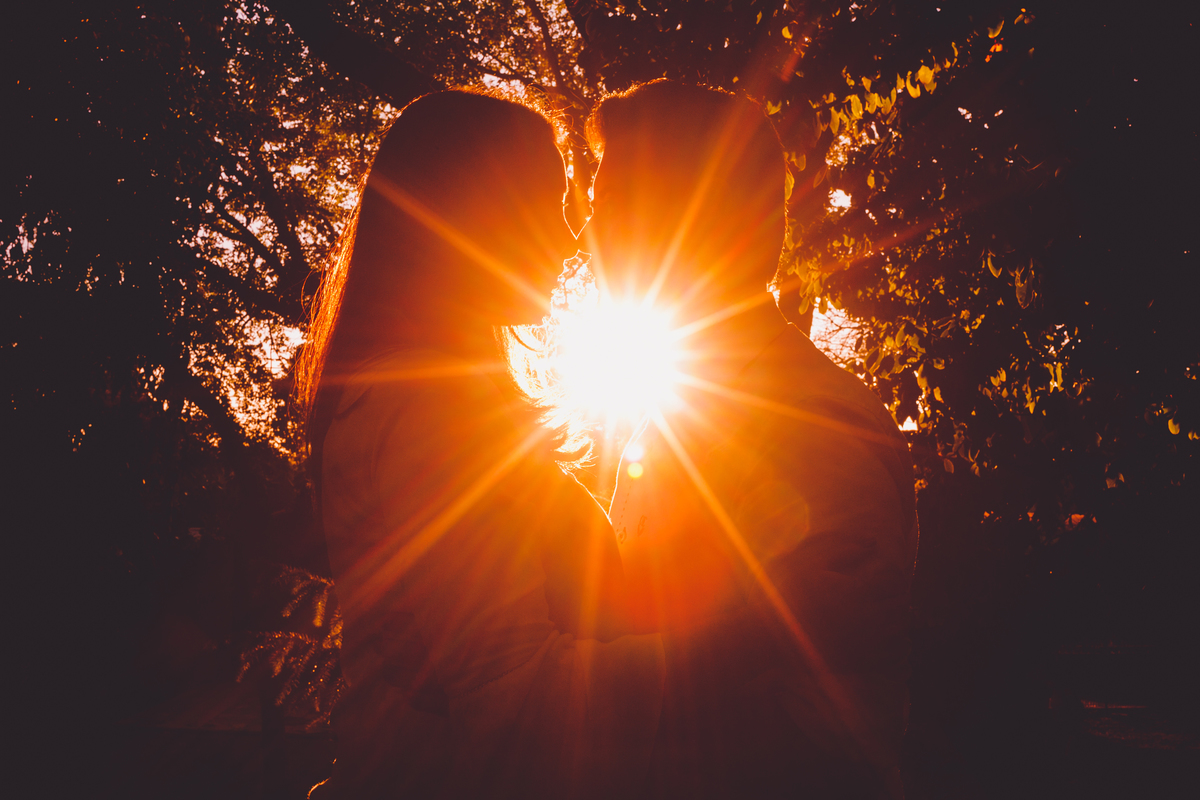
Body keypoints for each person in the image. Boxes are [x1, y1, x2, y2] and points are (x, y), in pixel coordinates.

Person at [298, 90, 663, 799]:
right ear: (469, 215)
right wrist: (730, 644)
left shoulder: (413, 398)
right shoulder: (434, 414)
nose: (569, 240)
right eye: (549, 202)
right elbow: (519, 701)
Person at [584, 80, 918, 798]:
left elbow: (827, 727)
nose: (586, 233)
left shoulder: (805, 419)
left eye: (605, 203)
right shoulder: (677, 410)